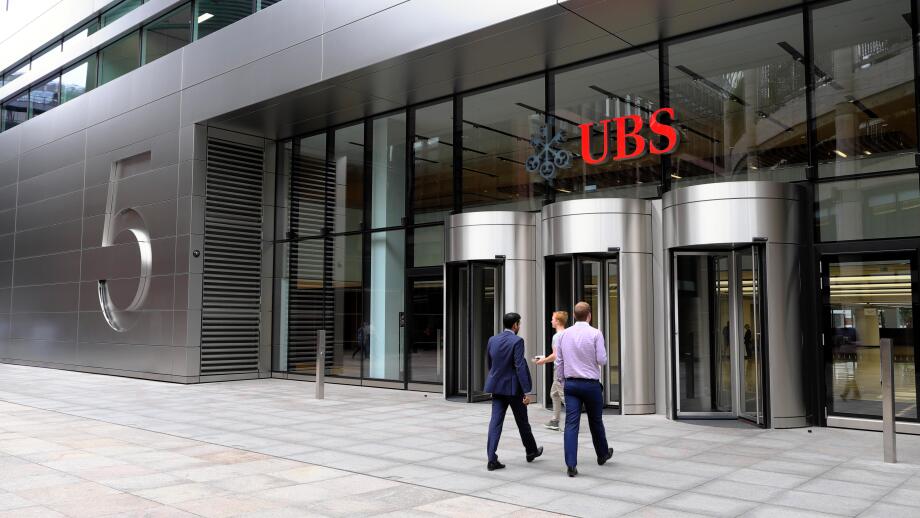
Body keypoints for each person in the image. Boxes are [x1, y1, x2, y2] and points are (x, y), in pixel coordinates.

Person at [555, 301, 613, 477]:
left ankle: (571, 464)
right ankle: (602, 454)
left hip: (571, 384)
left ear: (574, 316)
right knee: (595, 421)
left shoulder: (564, 335)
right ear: (589, 315)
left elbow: (559, 361)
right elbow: (602, 360)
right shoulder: (596, 333)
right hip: (590, 384)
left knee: (571, 424)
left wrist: (561, 380)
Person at [483, 312, 543, 471]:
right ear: (515, 325)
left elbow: (490, 364)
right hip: (513, 389)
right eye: (519, 324)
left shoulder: (492, 340)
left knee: (495, 422)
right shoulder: (517, 341)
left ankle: (491, 458)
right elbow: (519, 366)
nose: (519, 326)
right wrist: (527, 391)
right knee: (522, 422)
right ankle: (531, 451)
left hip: (497, 387)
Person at [536, 310, 568, 431]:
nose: (551, 321)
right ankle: (555, 420)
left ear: (558, 321)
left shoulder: (557, 336)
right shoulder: (567, 333)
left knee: (564, 396)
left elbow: (555, 356)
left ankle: (571, 423)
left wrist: (542, 361)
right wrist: (544, 358)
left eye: (553, 319)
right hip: (565, 368)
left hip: (559, 370)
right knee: (554, 394)